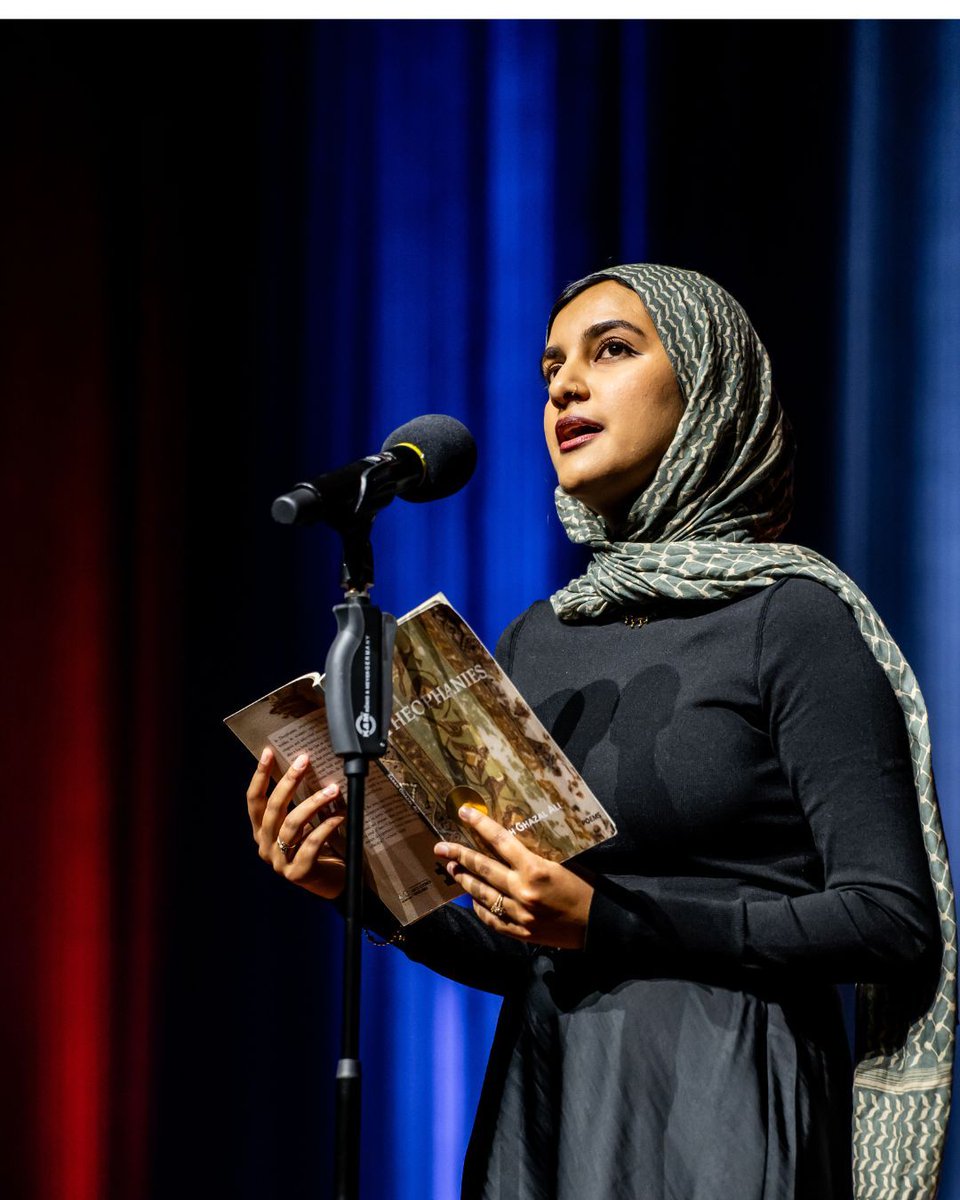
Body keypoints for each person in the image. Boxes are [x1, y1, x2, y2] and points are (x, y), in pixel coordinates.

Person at [246, 264, 955, 1200]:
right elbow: (522, 948)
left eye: (611, 350)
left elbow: (890, 921)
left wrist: (612, 924)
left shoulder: (790, 619)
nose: (565, 388)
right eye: (550, 371)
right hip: (549, 1101)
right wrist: (370, 897)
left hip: (729, 1093)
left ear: (707, 387)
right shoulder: (541, 639)